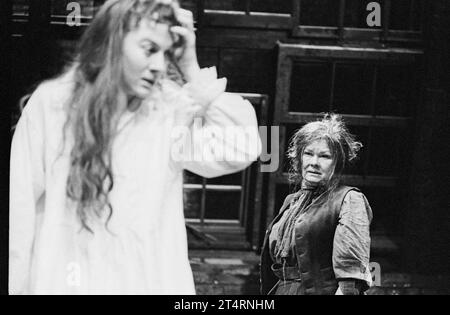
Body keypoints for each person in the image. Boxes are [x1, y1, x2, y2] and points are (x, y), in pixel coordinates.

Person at [10, 0, 260, 295]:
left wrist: (191, 68)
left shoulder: (167, 110)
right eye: (149, 49)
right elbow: (19, 209)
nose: (158, 66)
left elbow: (243, 147)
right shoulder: (55, 105)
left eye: (166, 53)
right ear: (112, 42)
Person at [260, 114, 373, 295]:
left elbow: (350, 274)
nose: (314, 162)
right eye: (308, 153)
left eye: (324, 156)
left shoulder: (348, 199)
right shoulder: (292, 202)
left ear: (338, 163)